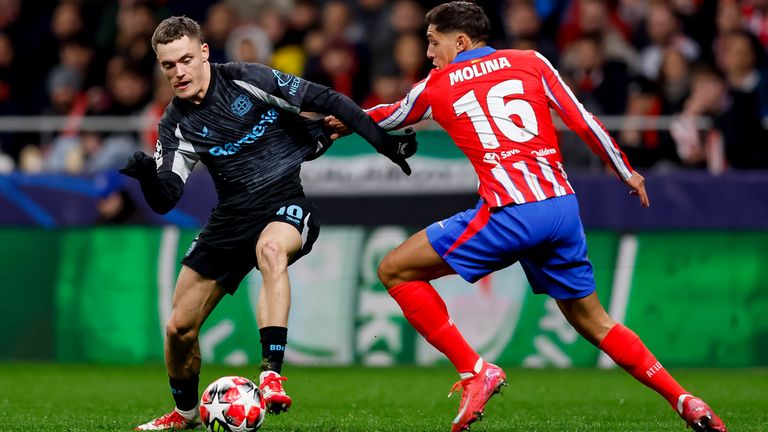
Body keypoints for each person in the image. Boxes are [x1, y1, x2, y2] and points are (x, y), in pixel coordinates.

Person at [327, 2, 726, 432]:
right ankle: (685, 400)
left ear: (460, 42)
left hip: (511, 212)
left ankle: (474, 370)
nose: (428, 53)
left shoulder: (437, 85)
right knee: (594, 320)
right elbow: (582, 119)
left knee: (395, 270)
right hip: (561, 209)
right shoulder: (531, 61)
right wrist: (625, 169)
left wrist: (339, 121)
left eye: (433, 42)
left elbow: (391, 115)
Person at [122, 16, 416, 431]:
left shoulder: (248, 78)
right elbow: (167, 197)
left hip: (284, 202)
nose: (179, 72)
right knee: (178, 329)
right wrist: (148, 176)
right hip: (229, 221)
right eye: (168, 66)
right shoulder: (175, 124)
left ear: (204, 52)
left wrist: (385, 145)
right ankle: (185, 415)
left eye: (186, 60)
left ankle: (271, 374)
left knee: (271, 251)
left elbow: (330, 100)